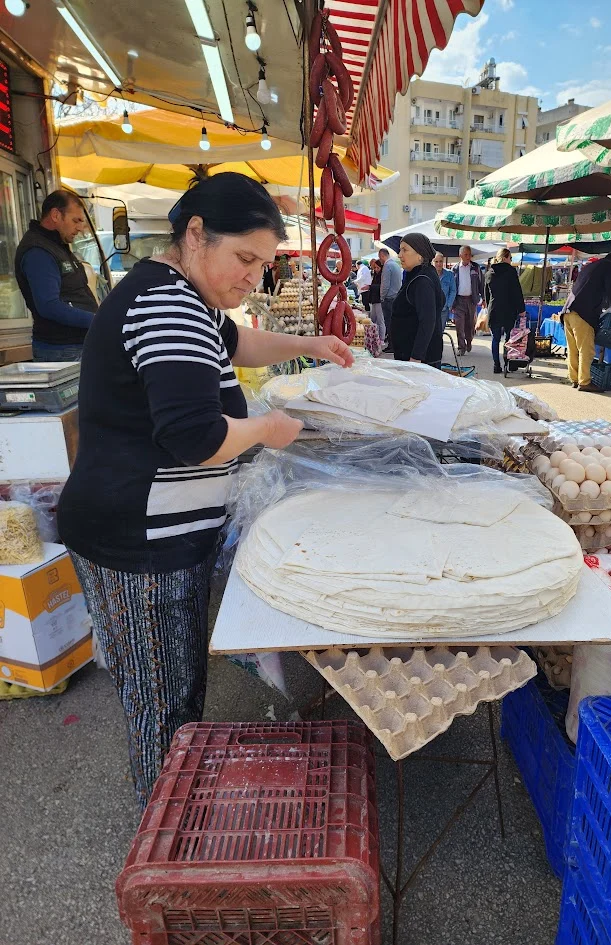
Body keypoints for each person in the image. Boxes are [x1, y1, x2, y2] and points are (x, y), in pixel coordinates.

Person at [56, 173, 354, 809]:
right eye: (244, 258)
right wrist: (268, 429)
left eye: (262, 264)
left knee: (169, 689)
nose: (252, 277)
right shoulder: (169, 304)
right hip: (137, 542)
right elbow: (195, 437)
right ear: (196, 234)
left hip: (148, 531)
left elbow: (237, 341)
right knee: (163, 703)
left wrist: (311, 344)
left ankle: (170, 810)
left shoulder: (183, 294)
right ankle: (164, 827)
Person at [15, 189, 98, 361]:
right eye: (76, 220)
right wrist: (98, 320)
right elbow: (49, 305)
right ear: (56, 215)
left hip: (77, 345)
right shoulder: (38, 251)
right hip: (61, 349)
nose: (80, 228)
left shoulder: (57, 245)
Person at [562, 250, 611, 393]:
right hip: (583, 312)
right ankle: (584, 382)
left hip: (568, 310)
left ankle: (574, 378)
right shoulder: (610, 267)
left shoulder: (592, 265)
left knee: (573, 349)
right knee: (586, 350)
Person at [391, 233, 445, 368]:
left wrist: (416, 357)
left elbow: (428, 321)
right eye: (400, 250)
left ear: (420, 255)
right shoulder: (421, 275)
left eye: (405, 250)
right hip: (415, 357)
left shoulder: (422, 280)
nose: (399, 255)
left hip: (418, 361)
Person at [484, 248, 526, 374]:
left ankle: (496, 365)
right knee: (509, 338)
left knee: (495, 339)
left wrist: (488, 307)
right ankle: (508, 363)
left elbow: (487, 294)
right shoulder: (511, 271)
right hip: (509, 309)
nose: (511, 261)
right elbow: (517, 292)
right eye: (510, 258)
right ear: (505, 257)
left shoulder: (489, 273)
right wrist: (521, 309)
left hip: (494, 309)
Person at [452, 246, 482, 356]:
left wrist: (482, 298)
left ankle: (469, 341)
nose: (468, 257)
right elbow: (452, 286)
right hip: (459, 300)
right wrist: (452, 303)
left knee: (470, 325)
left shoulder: (475, 268)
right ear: (460, 255)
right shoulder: (455, 269)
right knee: (459, 325)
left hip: (471, 300)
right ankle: (461, 347)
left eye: (469, 254)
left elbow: (481, 283)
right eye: (466, 254)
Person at [379, 247, 403, 350]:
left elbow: (385, 285)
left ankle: (392, 345)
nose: (380, 259)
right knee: (394, 323)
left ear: (382, 256)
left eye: (380, 257)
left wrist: (382, 297)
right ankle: (395, 345)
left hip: (389, 299)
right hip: (396, 297)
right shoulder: (396, 265)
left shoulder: (387, 266)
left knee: (389, 323)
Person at [433, 252, 457, 334]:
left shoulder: (449, 274)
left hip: (443, 310)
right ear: (433, 262)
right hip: (431, 309)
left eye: (440, 261)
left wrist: (448, 305)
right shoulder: (429, 274)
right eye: (436, 261)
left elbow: (453, 290)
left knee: (440, 332)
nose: (438, 264)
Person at [368, 258, 386, 346]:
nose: (376, 269)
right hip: (374, 300)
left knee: (380, 320)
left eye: (377, 268)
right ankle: (374, 337)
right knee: (373, 319)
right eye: (374, 268)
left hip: (379, 300)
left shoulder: (382, 276)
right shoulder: (375, 275)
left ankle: (382, 339)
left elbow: (381, 287)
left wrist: (370, 287)